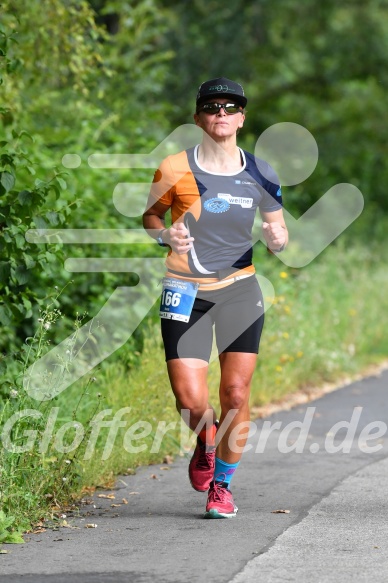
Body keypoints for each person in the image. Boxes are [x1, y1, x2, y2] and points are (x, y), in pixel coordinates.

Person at [143, 77, 288, 518]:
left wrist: (275, 237)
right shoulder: (173, 168)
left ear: (242, 117)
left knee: (236, 393)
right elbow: (150, 216)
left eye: (230, 107)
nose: (221, 113)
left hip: (241, 289)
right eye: (212, 106)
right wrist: (165, 234)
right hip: (184, 290)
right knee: (190, 400)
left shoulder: (261, 172)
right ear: (198, 117)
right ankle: (206, 440)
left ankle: (222, 486)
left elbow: (279, 230)